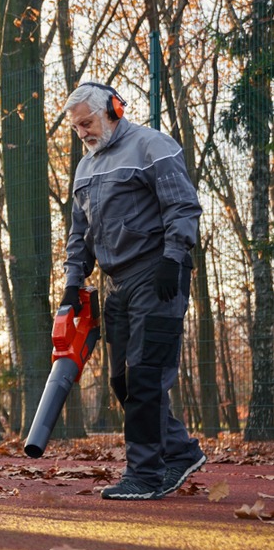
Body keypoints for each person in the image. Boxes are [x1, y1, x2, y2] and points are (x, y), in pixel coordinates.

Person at [61, 82, 206, 500]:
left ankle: (144, 474)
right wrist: (73, 282)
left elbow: (183, 205)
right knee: (124, 381)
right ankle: (180, 452)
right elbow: (80, 232)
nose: (83, 133)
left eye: (87, 122)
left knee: (146, 375)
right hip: (118, 282)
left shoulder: (152, 146)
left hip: (158, 273)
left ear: (114, 110)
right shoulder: (85, 168)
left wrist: (173, 257)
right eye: (76, 128)